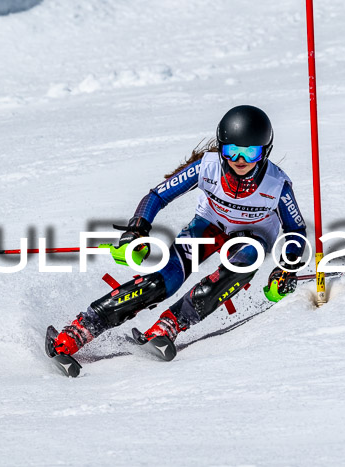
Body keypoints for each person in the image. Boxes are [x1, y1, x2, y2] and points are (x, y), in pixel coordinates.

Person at [48, 105, 307, 362]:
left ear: (265, 152)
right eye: (232, 151)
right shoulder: (206, 168)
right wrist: (138, 228)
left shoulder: (277, 186)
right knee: (163, 281)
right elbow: (158, 195)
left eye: (250, 152)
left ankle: (170, 325)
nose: (240, 160)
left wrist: (288, 267)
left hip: (250, 237)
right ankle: (80, 329)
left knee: (248, 258)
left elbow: (296, 230)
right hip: (209, 227)